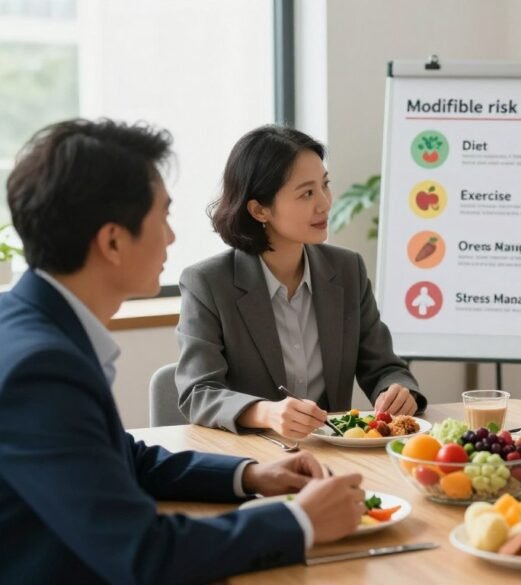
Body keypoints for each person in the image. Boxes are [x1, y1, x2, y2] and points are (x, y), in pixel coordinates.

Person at [0, 119, 367, 584]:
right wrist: (299, 521)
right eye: (163, 217)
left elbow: (122, 458)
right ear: (113, 240)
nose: (172, 238)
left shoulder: (31, 325)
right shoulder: (40, 368)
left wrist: (251, 476)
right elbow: (145, 553)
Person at [176, 125, 423, 439]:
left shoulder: (347, 270)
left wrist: (397, 390)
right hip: (254, 458)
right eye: (307, 193)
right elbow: (198, 392)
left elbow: (384, 366)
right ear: (259, 209)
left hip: (335, 454)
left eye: (325, 185)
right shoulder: (208, 283)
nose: (324, 203)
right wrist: (266, 412)